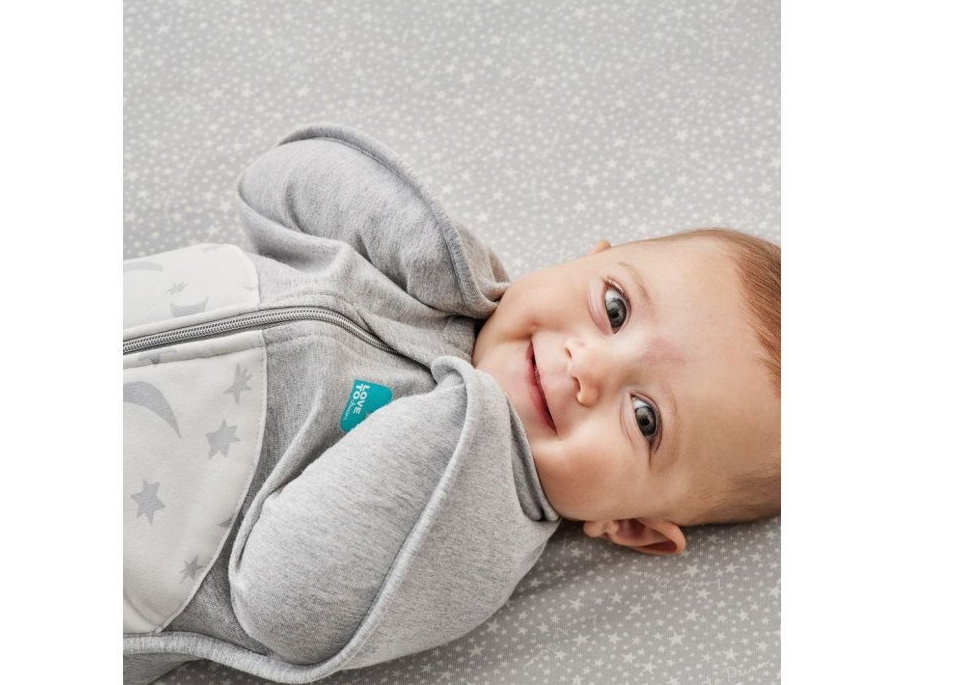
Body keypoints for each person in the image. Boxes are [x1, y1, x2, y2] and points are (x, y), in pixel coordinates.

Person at [123, 123, 779, 684]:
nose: (589, 367)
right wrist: (435, 255)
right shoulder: (430, 283)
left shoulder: (472, 534)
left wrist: (470, 418)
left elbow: (287, 607)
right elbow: (275, 181)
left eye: (645, 419)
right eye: (615, 309)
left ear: (630, 525)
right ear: (588, 259)